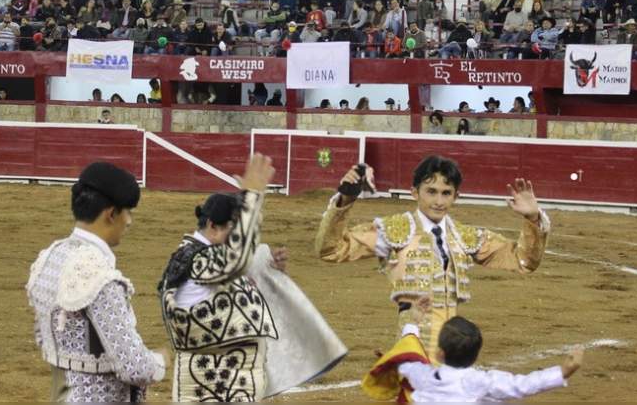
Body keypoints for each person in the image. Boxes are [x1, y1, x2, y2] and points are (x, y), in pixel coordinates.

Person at [314, 156, 550, 361]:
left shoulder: (464, 235)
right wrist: (345, 200)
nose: (439, 201)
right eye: (431, 191)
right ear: (414, 192)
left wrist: (532, 219)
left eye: (446, 193)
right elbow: (332, 249)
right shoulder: (395, 229)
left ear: (456, 196)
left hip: (453, 345)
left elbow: (524, 260)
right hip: (413, 338)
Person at [158, 156, 346, 401]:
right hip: (211, 391)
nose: (239, 238)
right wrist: (251, 199)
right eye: (233, 231)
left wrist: (267, 263)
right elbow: (234, 259)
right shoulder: (194, 260)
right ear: (213, 227)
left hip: (230, 387)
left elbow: (239, 261)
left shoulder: (206, 261)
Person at [26, 162, 167, 401]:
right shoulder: (99, 277)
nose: (130, 221)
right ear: (111, 214)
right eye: (128, 212)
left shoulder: (49, 258)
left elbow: (43, 336)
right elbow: (135, 367)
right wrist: (160, 360)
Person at [362, 300, 584, 402]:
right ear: (476, 354)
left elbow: (406, 357)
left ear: (439, 353)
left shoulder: (423, 375)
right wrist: (563, 371)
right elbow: (522, 385)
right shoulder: (479, 381)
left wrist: (413, 324)